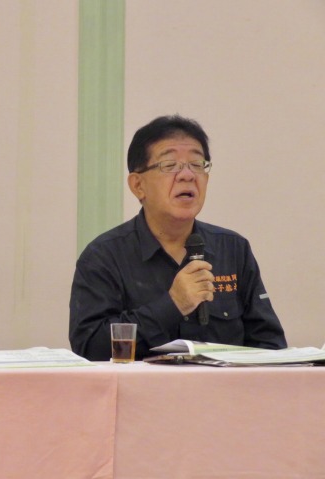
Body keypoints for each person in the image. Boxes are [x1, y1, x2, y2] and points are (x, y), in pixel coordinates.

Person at [69, 115, 287, 361]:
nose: (187, 175)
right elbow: (89, 348)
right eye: (170, 165)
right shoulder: (104, 256)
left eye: (196, 164)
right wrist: (172, 305)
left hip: (222, 386)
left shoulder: (233, 249)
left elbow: (270, 346)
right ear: (138, 185)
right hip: (144, 387)